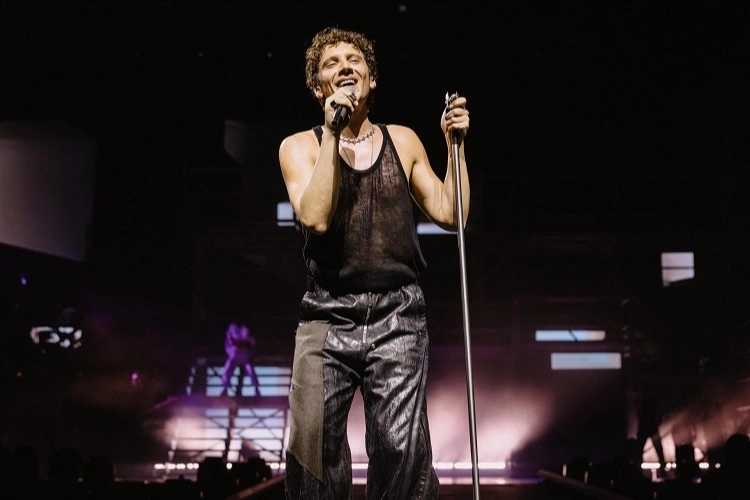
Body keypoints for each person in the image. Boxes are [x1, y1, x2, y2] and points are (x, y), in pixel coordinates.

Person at [278, 27, 470, 500]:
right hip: (326, 315)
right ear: (317, 87)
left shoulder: (402, 141)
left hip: (397, 315)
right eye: (331, 63)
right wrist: (331, 131)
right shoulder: (298, 147)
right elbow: (316, 217)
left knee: (401, 451)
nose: (345, 66)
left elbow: (453, 214)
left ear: (372, 78)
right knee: (311, 451)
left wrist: (455, 146)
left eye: (354, 59)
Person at [219, 322, 260, 396]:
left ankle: (256, 389)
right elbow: (229, 342)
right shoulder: (232, 328)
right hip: (234, 355)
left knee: (251, 371)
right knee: (227, 369)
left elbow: (252, 342)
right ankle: (224, 388)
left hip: (244, 355)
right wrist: (234, 348)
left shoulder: (246, 330)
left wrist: (244, 346)